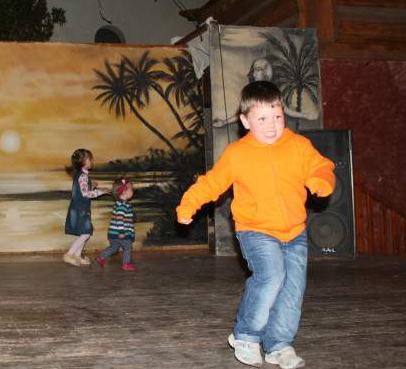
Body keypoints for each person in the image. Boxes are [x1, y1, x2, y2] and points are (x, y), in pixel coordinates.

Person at [177, 81, 336, 369]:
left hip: (295, 232)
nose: (271, 125)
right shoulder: (237, 153)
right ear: (245, 121)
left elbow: (321, 166)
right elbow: (211, 183)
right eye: (262, 119)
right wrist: (188, 205)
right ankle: (246, 335)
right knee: (272, 276)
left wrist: (321, 180)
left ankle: (279, 345)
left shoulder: (299, 146)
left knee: (293, 288)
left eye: (277, 116)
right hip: (256, 230)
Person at [63, 149, 110, 266]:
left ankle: (77, 256)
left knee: (84, 233)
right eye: (90, 159)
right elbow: (86, 194)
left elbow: (82, 191)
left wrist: (91, 186)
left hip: (79, 209)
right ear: (83, 161)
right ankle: (69, 254)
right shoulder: (83, 176)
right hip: (80, 210)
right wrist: (101, 191)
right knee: (86, 234)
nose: (92, 161)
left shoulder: (81, 175)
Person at [95, 177, 138, 271]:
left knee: (114, 247)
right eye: (131, 189)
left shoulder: (119, 204)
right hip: (121, 233)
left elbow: (124, 217)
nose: (133, 191)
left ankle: (101, 258)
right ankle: (126, 264)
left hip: (113, 232)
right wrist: (121, 231)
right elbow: (119, 218)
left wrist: (132, 217)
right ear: (124, 192)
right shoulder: (123, 205)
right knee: (128, 246)